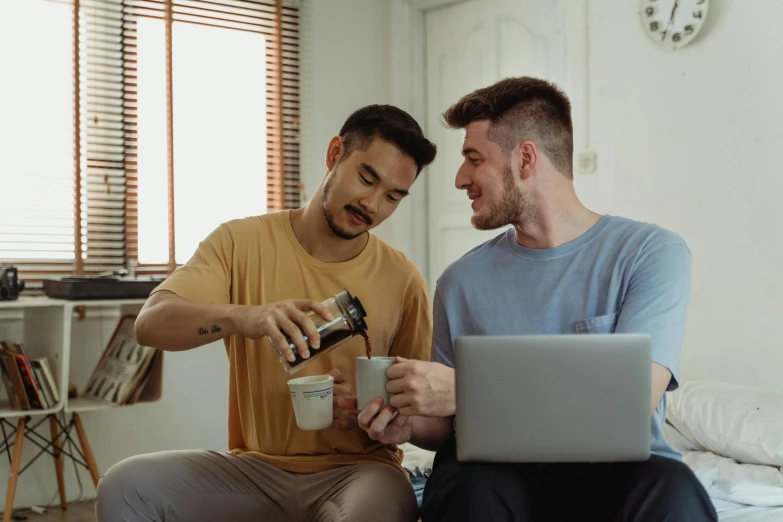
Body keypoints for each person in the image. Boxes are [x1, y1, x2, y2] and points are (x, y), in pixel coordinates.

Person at [356, 77, 719, 521]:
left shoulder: (650, 253)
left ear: (525, 158)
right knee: (466, 487)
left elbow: (629, 401)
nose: (459, 179)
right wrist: (409, 424)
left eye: (473, 159)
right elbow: (446, 423)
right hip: (491, 474)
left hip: (615, 472)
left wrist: (468, 389)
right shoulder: (460, 282)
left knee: (673, 489)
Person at [95, 104, 437, 522]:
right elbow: (151, 324)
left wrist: (370, 414)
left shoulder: (402, 278)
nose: (372, 204)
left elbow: (420, 412)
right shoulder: (240, 242)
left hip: (362, 473)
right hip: (254, 470)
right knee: (125, 486)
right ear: (334, 154)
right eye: (367, 178)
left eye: (392, 196)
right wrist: (247, 317)